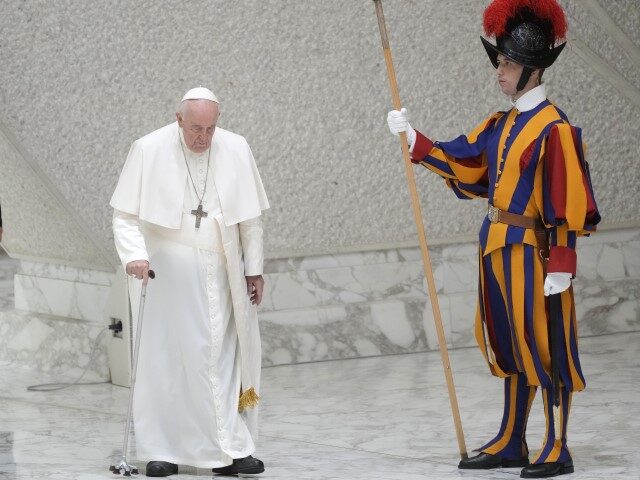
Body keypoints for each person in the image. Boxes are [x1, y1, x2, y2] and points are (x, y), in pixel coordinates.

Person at [387, 0, 600, 478]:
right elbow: (465, 163)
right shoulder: (500, 124)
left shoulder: (555, 130)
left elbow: (566, 198)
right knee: (509, 343)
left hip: (536, 254)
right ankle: (511, 439)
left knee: (546, 346)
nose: (499, 72)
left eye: (506, 63)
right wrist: (415, 141)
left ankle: (556, 445)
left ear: (531, 70)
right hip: (496, 248)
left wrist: (563, 263)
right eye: (500, 62)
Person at [110, 87, 269, 477]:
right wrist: (134, 256)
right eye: (195, 128)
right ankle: (163, 449)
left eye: (210, 129)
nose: (203, 137)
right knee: (167, 361)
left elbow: (250, 219)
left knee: (223, 358)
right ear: (178, 119)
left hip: (223, 271)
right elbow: (125, 215)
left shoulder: (235, 147)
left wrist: (255, 268)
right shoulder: (147, 149)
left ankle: (232, 447)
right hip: (165, 275)